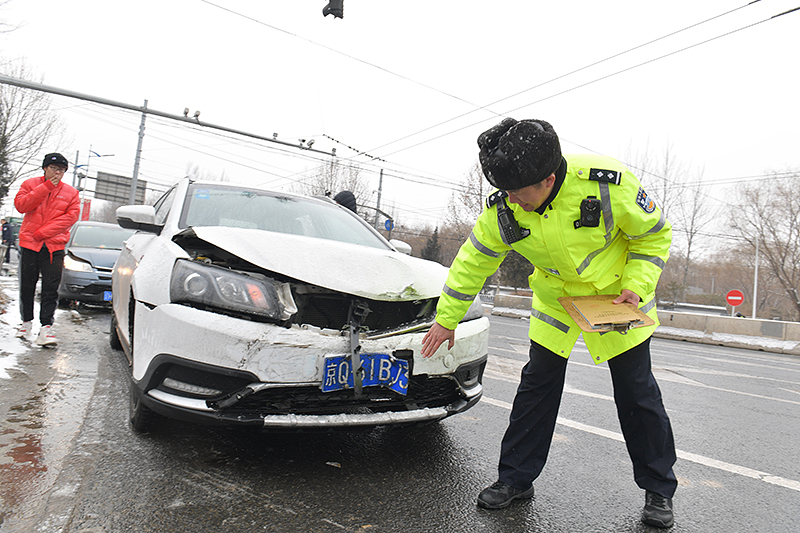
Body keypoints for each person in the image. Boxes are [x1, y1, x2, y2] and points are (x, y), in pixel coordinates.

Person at [421, 119, 677, 528]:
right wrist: (447, 320)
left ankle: (659, 489)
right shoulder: (505, 207)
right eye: (506, 193)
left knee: (636, 391)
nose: (512, 201)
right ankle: (516, 479)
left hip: (617, 298)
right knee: (537, 385)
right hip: (557, 301)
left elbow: (653, 236)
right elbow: (474, 261)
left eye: (519, 194)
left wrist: (636, 284)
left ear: (549, 180)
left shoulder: (607, 184)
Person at [14, 153, 80, 346]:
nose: (57, 172)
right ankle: (26, 323)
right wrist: (46, 187)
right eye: (53, 168)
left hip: (54, 247)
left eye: (61, 169)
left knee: (51, 288)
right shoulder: (30, 184)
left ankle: (46, 328)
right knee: (27, 285)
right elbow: (21, 205)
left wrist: (43, 232)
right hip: (29, 245)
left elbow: (70, 217)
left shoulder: (71, 193)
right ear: (45, 168)